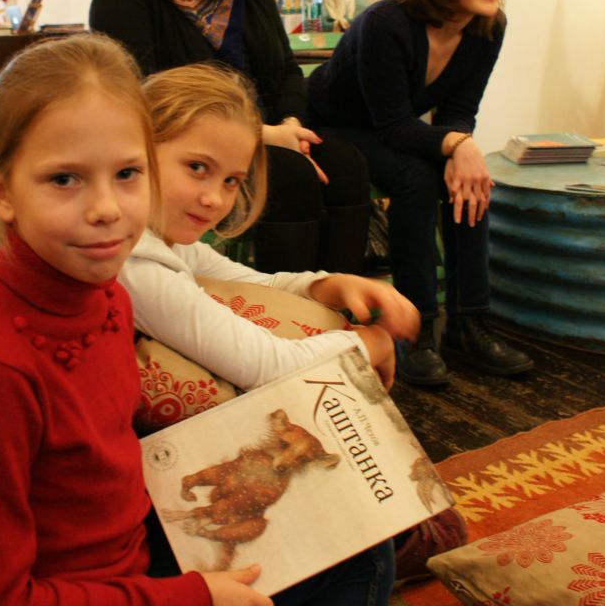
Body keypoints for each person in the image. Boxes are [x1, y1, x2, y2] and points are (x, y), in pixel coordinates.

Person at [0, 34, 271, 605]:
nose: (106, 209)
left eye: (127, 174)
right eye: (64, 179)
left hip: (132, 553)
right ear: (2, 192)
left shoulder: (106, 296)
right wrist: (189, 598)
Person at [121, 64, 407, 602]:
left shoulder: (161, 241)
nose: (215, 198)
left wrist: (326, 283)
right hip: (133, 521)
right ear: (135, 152)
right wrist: (368, 344)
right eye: (197, 168)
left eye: (231, 181)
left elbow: (249, 282)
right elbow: (265, 366)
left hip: (143, 485)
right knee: (368, 558)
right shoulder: (136, 263)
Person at [89, 0, 371, 276]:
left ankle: (337, 305)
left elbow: (285, 69)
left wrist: (290, 125)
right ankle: (284, 311)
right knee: (291, 177)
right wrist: (260, 136)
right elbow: (142, 99)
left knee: (347, 164)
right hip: (187, 152)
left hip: (270, 135)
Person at [306, 0, 534, 388]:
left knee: (469, 179)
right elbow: (393, 124)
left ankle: (470, 323)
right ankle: (414, 330)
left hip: (394, 129)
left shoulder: (488, 27)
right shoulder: (385, 23)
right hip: (334, 126)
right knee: (417, 177)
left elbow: (458, 110)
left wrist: (460, 149)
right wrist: (456, 144)